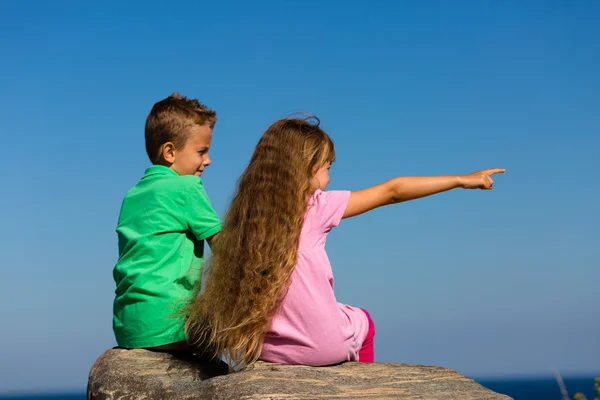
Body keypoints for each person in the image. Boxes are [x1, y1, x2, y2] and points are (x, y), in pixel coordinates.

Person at [185, 116, 504, 368]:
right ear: (306, 169)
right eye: (327, 166)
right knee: (363, 320)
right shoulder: (314, 206)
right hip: (321, 346)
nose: (329, 175)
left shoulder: (247, 222)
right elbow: (392, 191)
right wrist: (461, 179)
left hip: (266, 349)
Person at [113, 92, 222, 351]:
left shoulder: (133, 195)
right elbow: (226, 248)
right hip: (170, 328)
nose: (208, 160)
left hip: (128, 327)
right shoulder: (187, 187)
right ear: (170, 151)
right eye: (202, 151)